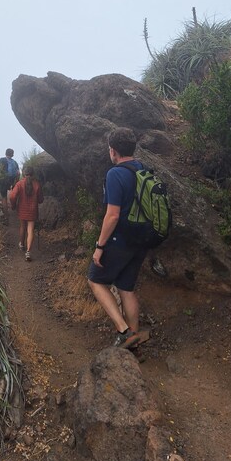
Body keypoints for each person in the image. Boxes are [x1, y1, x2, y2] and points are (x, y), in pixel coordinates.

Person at [88, 127, 147, 349]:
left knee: (95, 280)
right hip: (141, 241)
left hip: (120, 240)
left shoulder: (115, 174)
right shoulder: (143, 170)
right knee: (126, 288)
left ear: (113, 151)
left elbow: (112, 216)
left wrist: (99, 246)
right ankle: (134, 342)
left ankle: (124, 332)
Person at [9, 165, 43, 261]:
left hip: (22, 210)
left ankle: (22, 244)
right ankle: (28, 252)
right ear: (33, 174)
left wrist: (13, 205)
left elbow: (12, 196)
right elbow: (41, 200)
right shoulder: (37, 184)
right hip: (33, 210)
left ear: (24, 173)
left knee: (22, 227)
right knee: (30, 230)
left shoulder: (19, 184)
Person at [0, 148, 20, 221]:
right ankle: (16, 211)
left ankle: (7, 217)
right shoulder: (15, 162)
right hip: (12, 181)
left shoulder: (2, 160)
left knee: (4, 198)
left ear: (5, 153)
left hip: (3, 181)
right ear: (12, 154)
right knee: (13, 195)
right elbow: (18, 173)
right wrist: (16, 182)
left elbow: (0, 171)